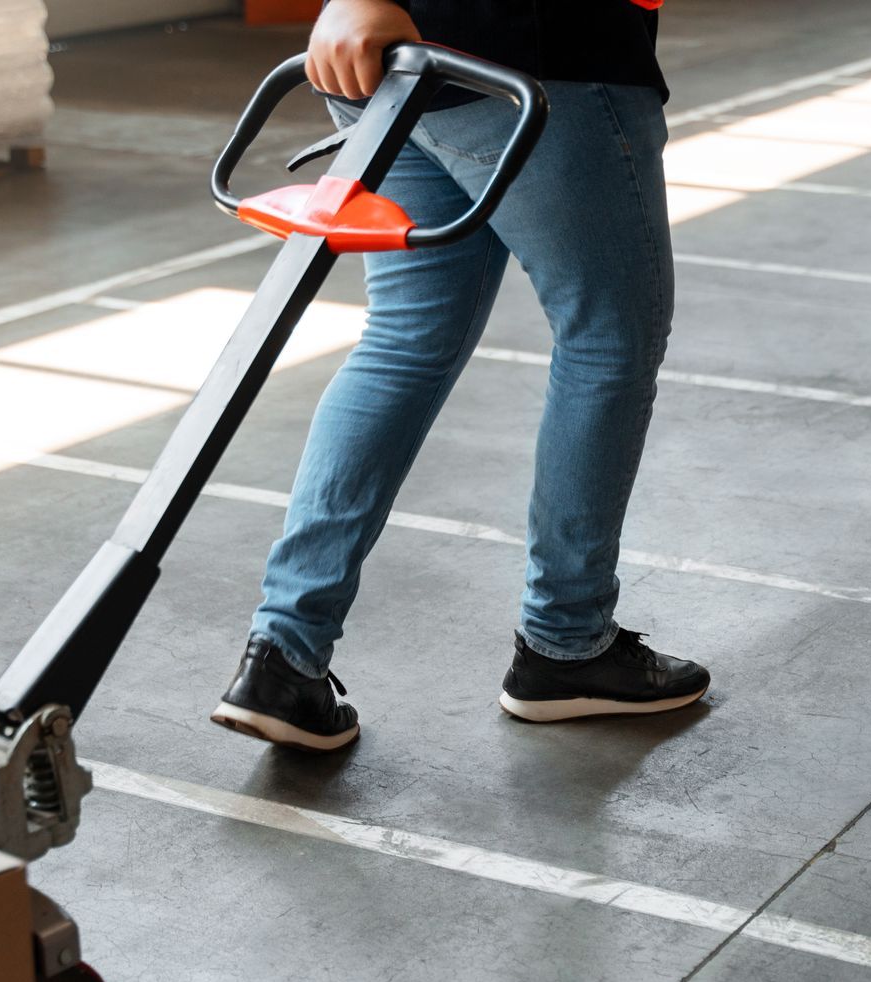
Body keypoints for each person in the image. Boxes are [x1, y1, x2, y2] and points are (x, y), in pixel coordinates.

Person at [212, 0, 710, 752]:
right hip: (536, 55)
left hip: (384, 63)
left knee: (406, 336)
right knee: (608, 338)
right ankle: (566, 642)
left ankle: (283, 654)